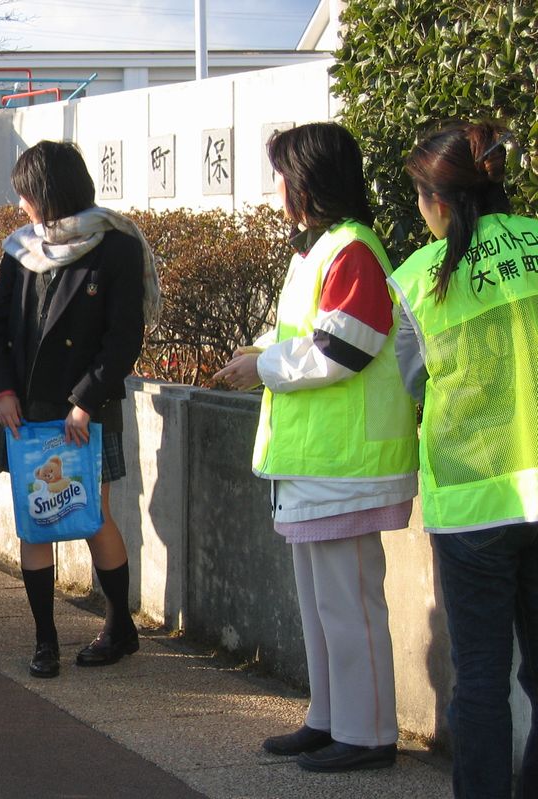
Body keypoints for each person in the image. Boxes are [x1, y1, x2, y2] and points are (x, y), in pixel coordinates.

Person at [215, 122, 418, 773]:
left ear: (306, 182)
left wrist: (263, 366)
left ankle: (368, 732)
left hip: (345, 465)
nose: (275, 186)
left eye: (280, 173)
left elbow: (345, 348)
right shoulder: (326, 248)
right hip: (321, 465)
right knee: (326, 604)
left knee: (346, 604)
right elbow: (325, 339)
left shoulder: (349, 248)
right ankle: (332, 719)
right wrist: (262, 357)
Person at [388, 120, 538, 797]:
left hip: (473, 502)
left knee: (480, 679)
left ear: (437, 201)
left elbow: (408, 384)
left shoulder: (419, 280)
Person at [0, 140, 157, 680]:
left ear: (45, 193)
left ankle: (118, 624)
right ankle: (45, 639)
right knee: (34, 523)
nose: (22, 206)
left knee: (93, 516)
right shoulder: (21, 250)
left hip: (86, 408)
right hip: (27, 409)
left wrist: (85, 402)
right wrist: (0, 391)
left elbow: (124, 338)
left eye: (25, 195)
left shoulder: (115, 245)